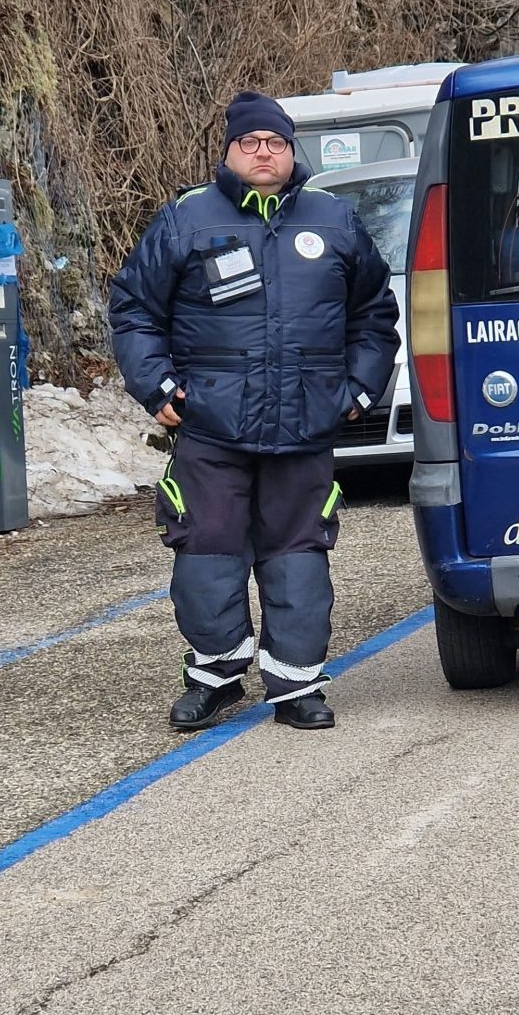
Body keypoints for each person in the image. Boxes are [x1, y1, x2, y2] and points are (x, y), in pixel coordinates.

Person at [109, 90, 400, 731]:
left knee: (298, 555)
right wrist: (157, 386)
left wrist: (357, 390)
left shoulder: (334, 221)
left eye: (275, 143)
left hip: (304, 428)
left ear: (292, 151)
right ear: (229, 151)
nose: (263, 152)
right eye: (250, 142)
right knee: (205, 554)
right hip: (211, 428)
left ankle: (296, 686)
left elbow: (375, 316)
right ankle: (214, 675)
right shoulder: (186, 220)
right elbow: (134, 311)